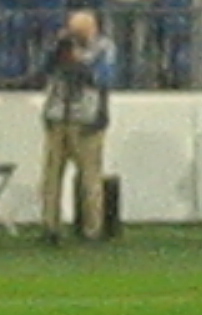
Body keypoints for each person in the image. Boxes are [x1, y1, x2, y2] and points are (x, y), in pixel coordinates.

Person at [39, 10, 115, 246]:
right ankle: (51, 226)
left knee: (90, 176)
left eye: (80, 31)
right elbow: (45, 70)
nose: (76, 35)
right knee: (51, 175)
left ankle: (92, 229)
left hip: (87, 119)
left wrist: (78, 61)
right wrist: (57, 51)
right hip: (57, 115)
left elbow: (103, 79)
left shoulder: (104, 48)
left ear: (91, 30)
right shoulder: (59, 44)